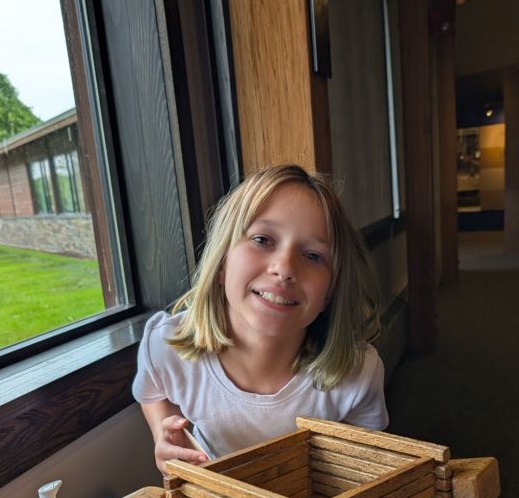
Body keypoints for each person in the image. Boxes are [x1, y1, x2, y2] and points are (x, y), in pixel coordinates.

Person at [133, 164, 388, 473]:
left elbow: (366, 462)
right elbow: (153, 393)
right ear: (222, 262)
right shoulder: (167, 345)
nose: (284, 268)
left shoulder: (358, 374)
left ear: (331, 292)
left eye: (313, 256)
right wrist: (165, 435)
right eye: (263, 240)